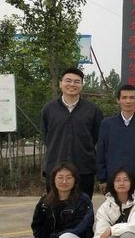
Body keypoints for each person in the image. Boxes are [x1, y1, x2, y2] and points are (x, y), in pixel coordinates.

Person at [25, 163, 94, 238]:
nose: (64, 181)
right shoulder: (45, 202)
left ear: (75, 180)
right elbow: (37, 227)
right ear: (53, 180)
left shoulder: (83, 200)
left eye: (69, 177)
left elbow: (79, 228)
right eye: (60, 177)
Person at [41, 67, 103, 196]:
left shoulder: (93, 110)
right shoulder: (49, 109)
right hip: (55, 170)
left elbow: (96, 137)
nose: (72, 84)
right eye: (68, 81)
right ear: (60, 83)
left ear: (82, 85)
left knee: (83, 206)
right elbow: (46, 136)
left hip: (84, 170)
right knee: (54, 205)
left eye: (77, 81)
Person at [96, 84, 135, 194]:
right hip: (113, 179)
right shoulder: (107, 124)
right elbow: (101, 152)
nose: (128, 101)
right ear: (118, 100)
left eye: (132, 97)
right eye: (124, 97)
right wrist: (102, 178)